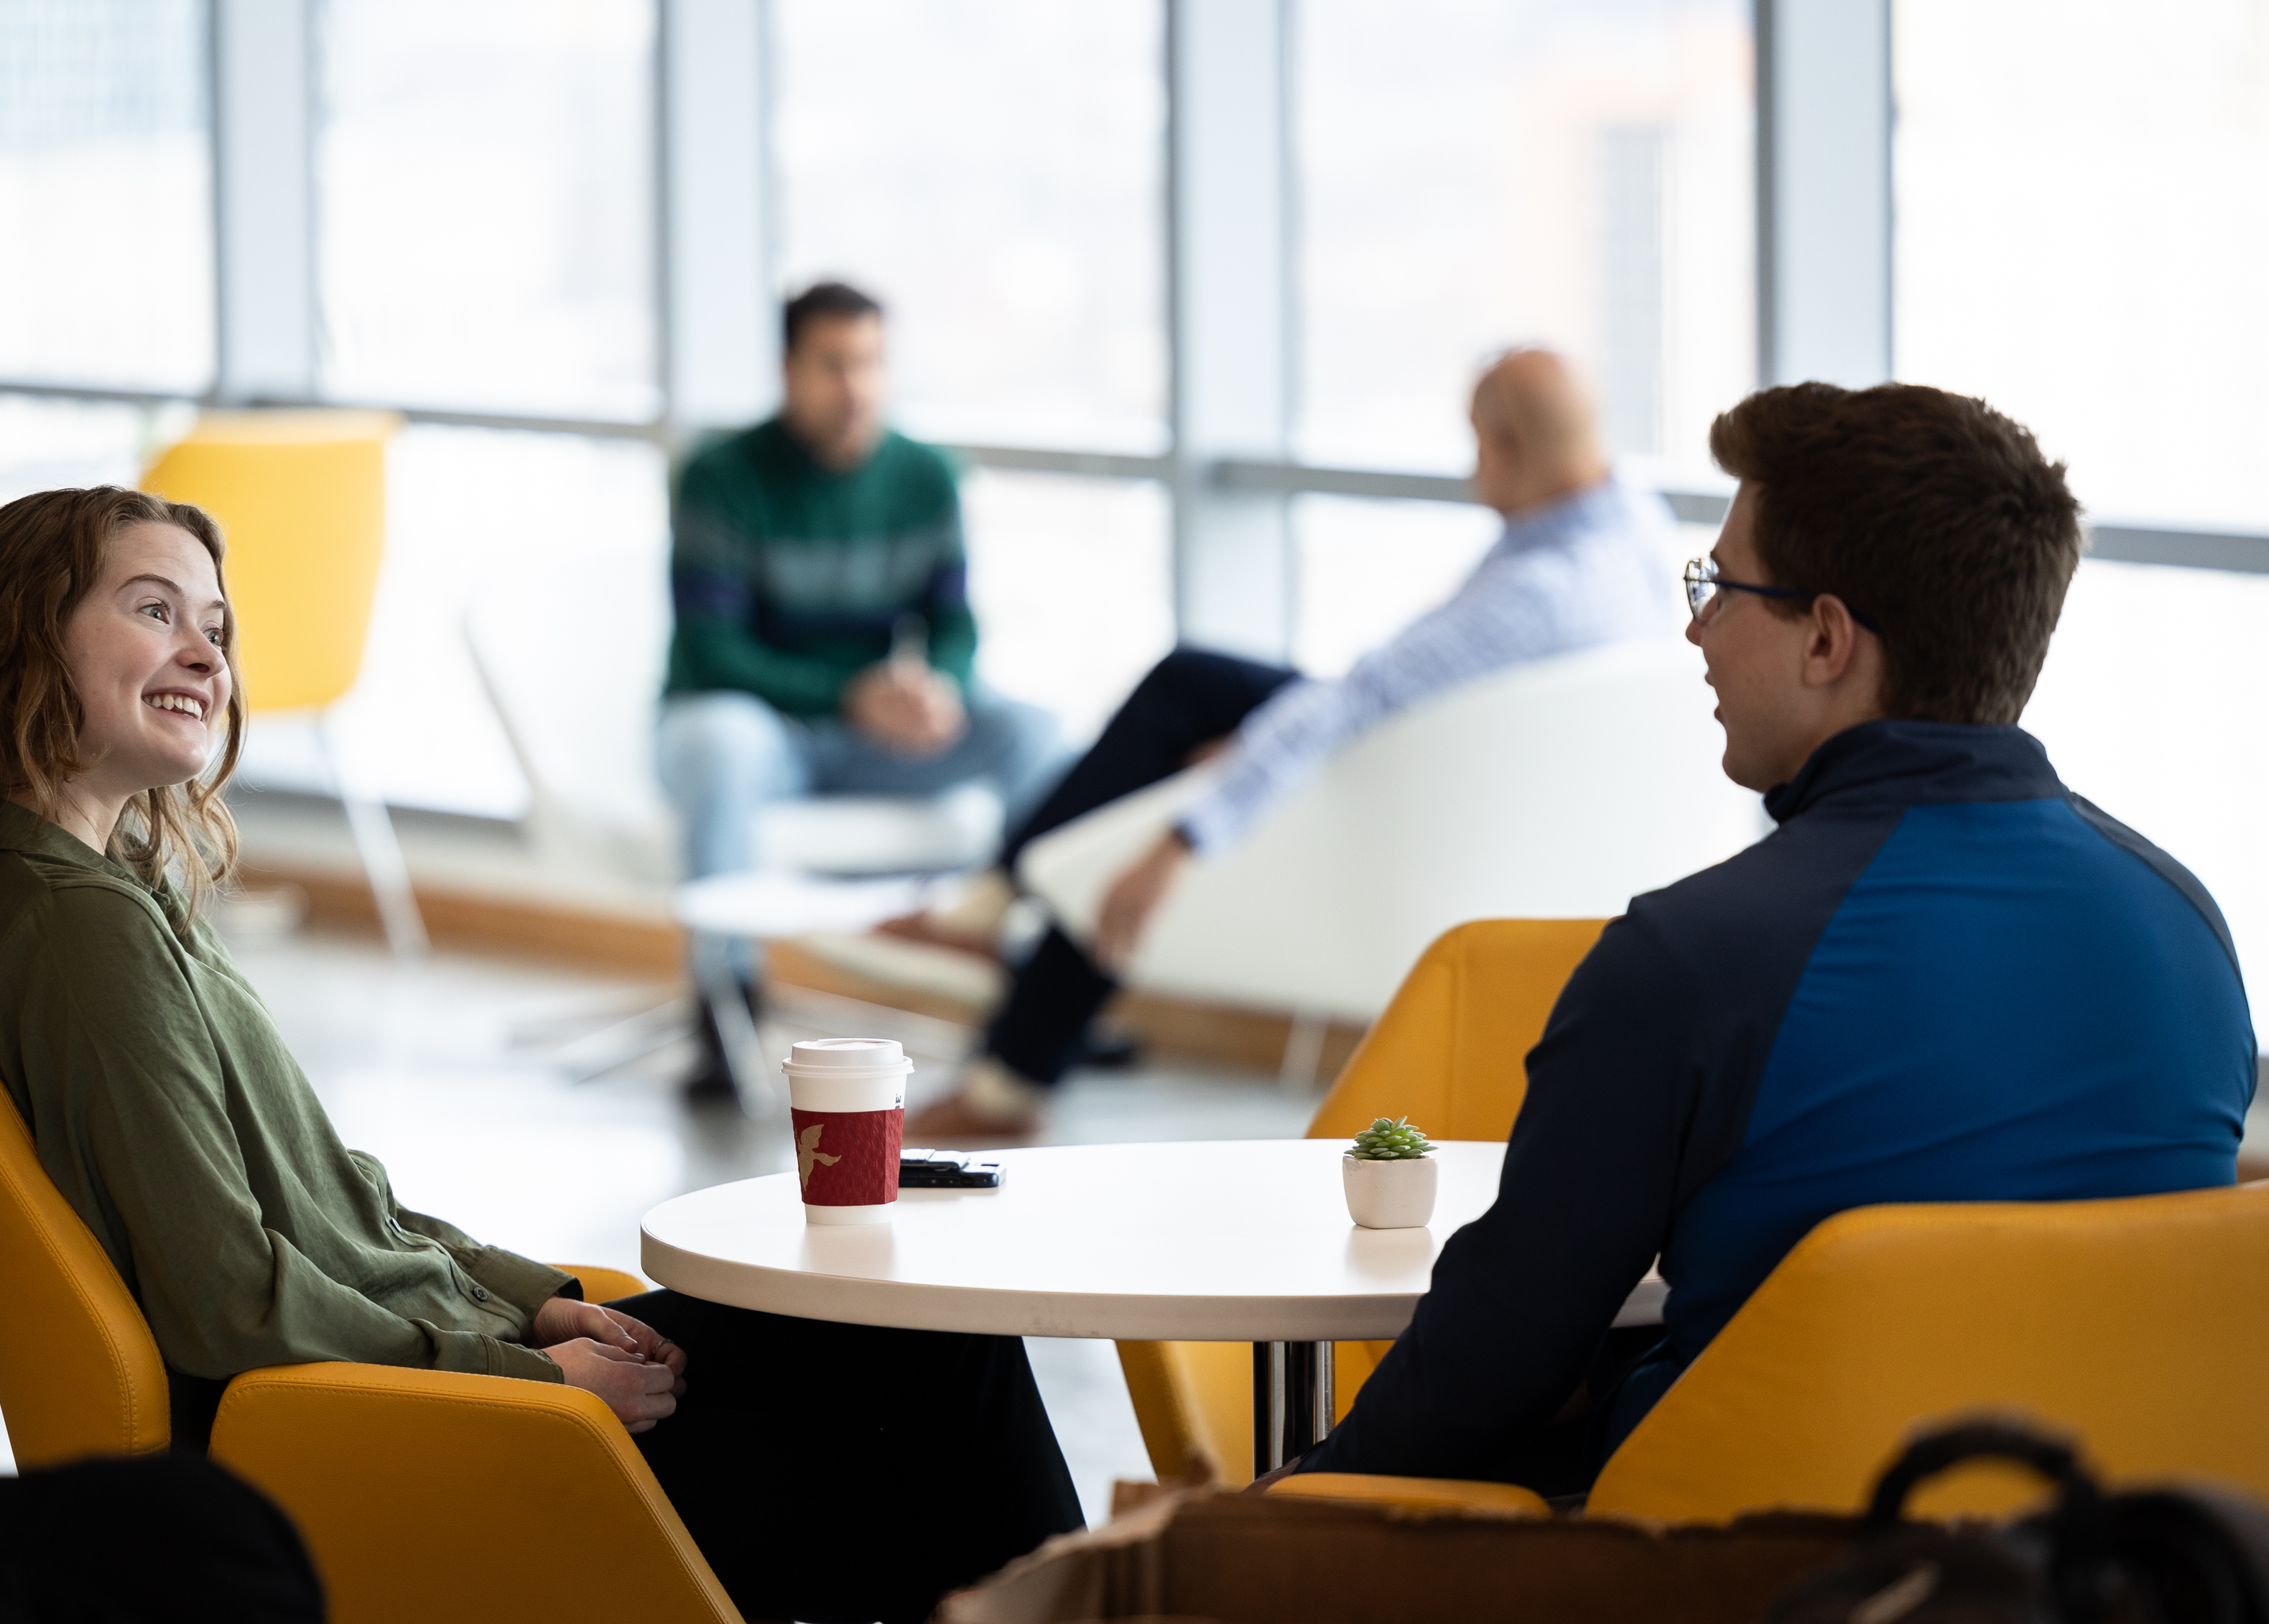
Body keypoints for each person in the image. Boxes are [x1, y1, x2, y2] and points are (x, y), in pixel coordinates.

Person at [0, 487, 1083, 1624]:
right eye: (153, 610)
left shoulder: (86, 894)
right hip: (355, 1441)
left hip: (403, 1383)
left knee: (927, 1355)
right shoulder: (75, 930)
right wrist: (529, 1371)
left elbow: (338, 1203)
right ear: (19, 640)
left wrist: (538, 1300)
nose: (203, 651)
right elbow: (226, 1303)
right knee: (960, 1501)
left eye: (215, 623)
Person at [1285, 381, 2254, 1497]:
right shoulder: (2189, 931)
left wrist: (1275, 1505)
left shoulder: (1692, 961)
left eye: (1721, 588)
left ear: (1828, 639)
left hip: (1746, 1599)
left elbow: (1487, 1369)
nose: (1696, 628)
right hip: (2127, 1598)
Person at [906, 348, 1680, 1138]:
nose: (1471, 467)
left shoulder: (1534, 598)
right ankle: (1003, 962)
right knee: (1203, 703)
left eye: (1476, 443)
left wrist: (1185, 833)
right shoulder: (1640, 539)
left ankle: (998, 919)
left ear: (1505, 449)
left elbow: (1358, 700)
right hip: (1500, 805)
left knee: (1186, 689)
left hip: (1402, 810)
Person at [659, 281, 1064, 1098]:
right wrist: (852, 691)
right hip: (764, 732)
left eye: (872, 363)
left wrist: (938, 689)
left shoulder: (925, 477)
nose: (857, 388)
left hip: (871, 736)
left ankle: (1042, 993)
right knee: (723, 740)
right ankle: (725, 1005)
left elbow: (955, 625)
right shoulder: (720, 477)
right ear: (787, 370)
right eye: (833, 365)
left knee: (1034, 733)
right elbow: (714, 654)